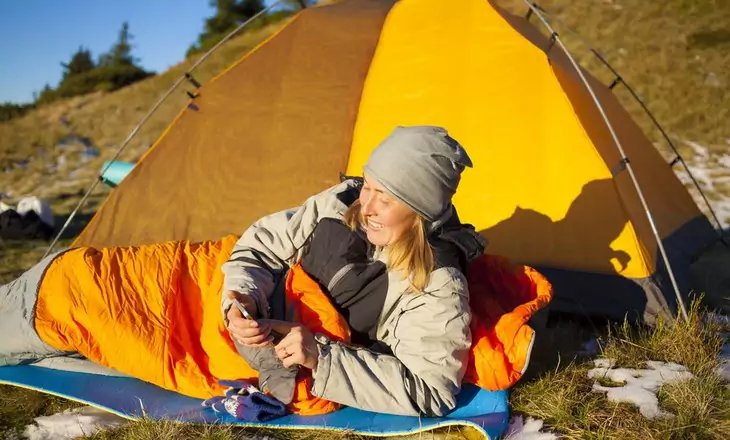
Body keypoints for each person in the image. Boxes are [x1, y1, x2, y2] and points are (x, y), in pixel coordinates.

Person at [221, 125, 487, 417]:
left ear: (419, 212)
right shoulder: (343, 201)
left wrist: (320, 358)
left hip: (302, 365)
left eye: (385, 199)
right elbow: (262, 247)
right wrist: (242, 298)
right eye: (368, 186)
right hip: (256, 320)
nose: (367, 207)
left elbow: (431, 391)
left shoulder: (434, 283)